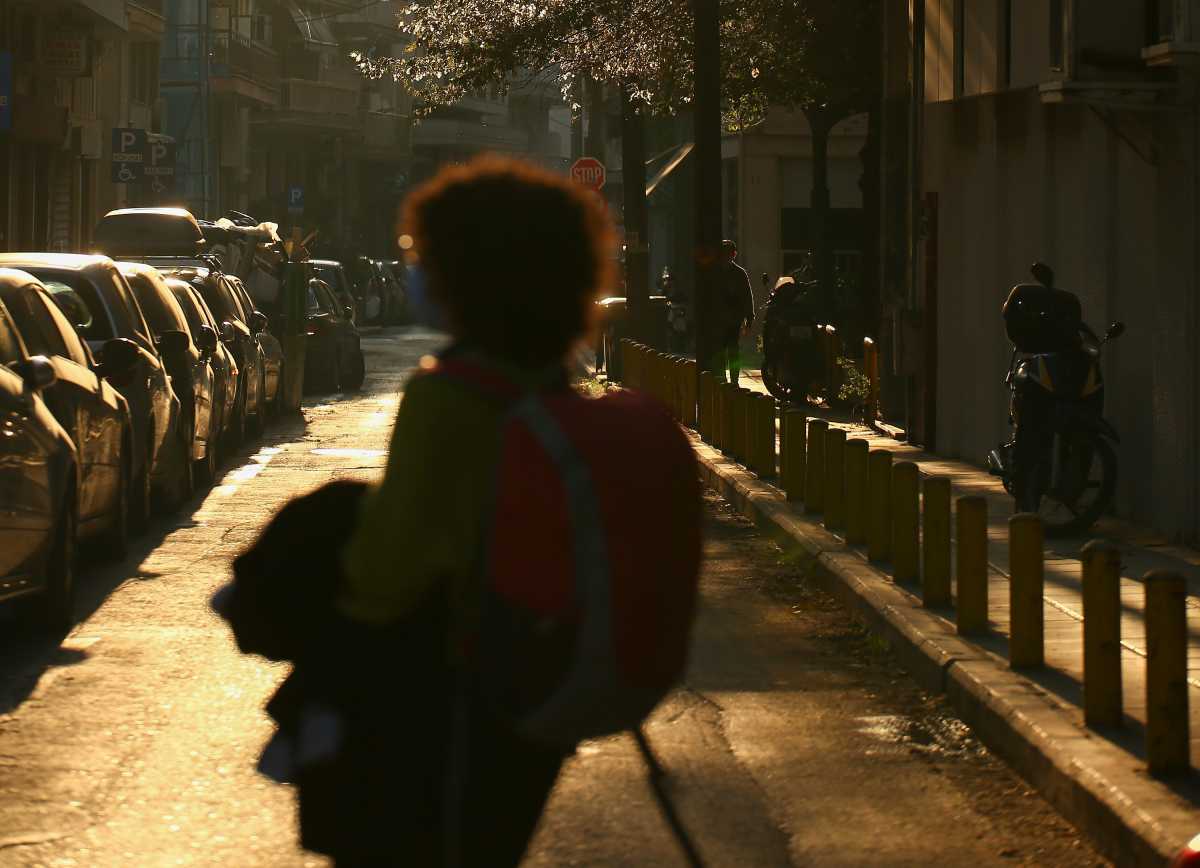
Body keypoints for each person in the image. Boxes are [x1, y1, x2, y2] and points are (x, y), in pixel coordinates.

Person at [333, 156, 618, 866]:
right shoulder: (561, 390)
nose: (413, 270)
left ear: (467, 275)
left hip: (456, 690)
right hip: (542, 685)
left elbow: (386, 573)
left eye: (420, 256)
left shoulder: (448, 398)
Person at [711, 239, 755, 385]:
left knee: (732, 350)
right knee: (721, 350)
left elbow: (747, 296)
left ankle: (734, 380)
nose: (726, 256)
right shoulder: (714, 272)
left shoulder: (739, 273)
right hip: (718, 319)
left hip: (733, 320)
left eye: (729, 253)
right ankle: (722, 378)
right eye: (724, 253)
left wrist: (749, 317)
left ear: (733, 254)